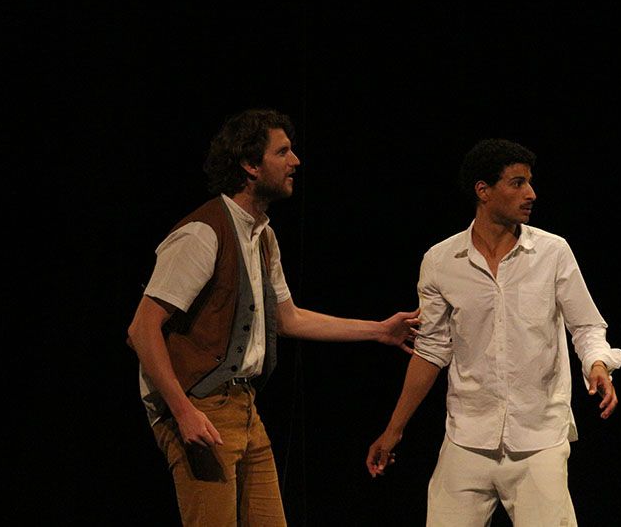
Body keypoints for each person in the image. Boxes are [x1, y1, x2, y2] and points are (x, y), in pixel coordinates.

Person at [127, 108, 419, 526]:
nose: (295, 161)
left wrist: (380, 330)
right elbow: (142, 328)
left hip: (245, 406)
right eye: (282, 152)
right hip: (201, 405)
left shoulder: (263, 235)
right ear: (250, 165)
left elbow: (289, 319)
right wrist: (183, 410)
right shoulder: (202, 233)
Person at [366, 138, 621, 526]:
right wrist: (394, 429)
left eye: (530, 182)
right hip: (468, 437)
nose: (531, 194)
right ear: (483, 190)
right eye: (517, 183)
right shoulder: (441, 261)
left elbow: (586, 325)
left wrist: (598, 364)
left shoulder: (552, 252)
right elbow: (431, 351)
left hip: (538, 438)